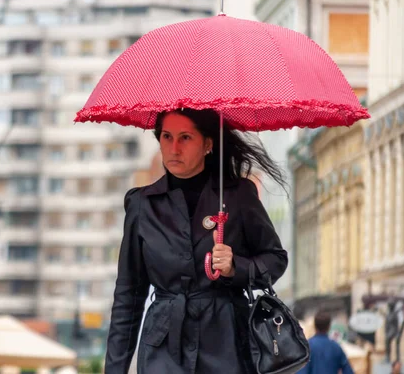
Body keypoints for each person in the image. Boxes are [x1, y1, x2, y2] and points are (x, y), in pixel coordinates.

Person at [105, 108, 289, 374]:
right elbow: (128, 295)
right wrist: (114, 369)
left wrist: (235, 267)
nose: (174, 147)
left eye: (185, 138)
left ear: (208, 144)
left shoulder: (237, 196)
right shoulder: (142, 205)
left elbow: (275, 259)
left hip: (226, 344)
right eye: (167, 137)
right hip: (163, 347)